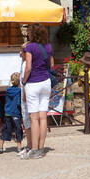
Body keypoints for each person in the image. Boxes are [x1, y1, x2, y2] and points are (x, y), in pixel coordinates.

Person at [20, 24, 54, 159]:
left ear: (33, 34)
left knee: (34, 118)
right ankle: (41, 147)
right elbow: (51, 65)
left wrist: (24, 82)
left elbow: (28, 68)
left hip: (33, 83)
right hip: (46, 82)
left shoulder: (30, 47)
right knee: (43, 117)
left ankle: (34, 149)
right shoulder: (49, 47)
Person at [0, 71, 24, 154]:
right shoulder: (19, 91)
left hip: (7, 113)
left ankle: (1, 147)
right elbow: (18, 103)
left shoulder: (7, 90)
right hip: (16, 113)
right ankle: (19, 147)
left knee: (5, 129)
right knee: (18, 130)